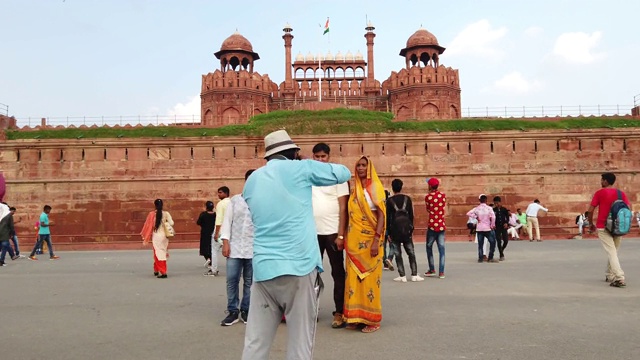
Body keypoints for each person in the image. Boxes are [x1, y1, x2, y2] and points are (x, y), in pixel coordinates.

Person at [241, 130, 351, 360]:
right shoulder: (300, 168)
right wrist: (306, 165)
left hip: (264, 271)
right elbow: (343, 173)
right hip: (299, 270)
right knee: (300, 346)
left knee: (255, 344)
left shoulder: (252, 181)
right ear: (292, 152)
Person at [344, 156, 385, 333]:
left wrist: (376, 239)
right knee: (353, 281)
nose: (360, 168)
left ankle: (371, 320)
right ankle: (355, 316)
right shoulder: (355, 190)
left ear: (369, 168)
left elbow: (382, 215)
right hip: (353, 243)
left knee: (369, 282)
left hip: (370, 243)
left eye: (363, 165)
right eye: (358, 165)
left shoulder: (375, 188)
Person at [311, 142, 349, 328]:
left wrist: (341, 235)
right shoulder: (308, 177)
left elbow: (343, 208)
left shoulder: (338, 178)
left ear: (328, 157)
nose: (320, 160)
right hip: (312, 232)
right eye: (316, 157)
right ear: (312, 157)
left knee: (337, 273)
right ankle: (311, 310)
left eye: (323, 156)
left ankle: (339, 312)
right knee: (310, 274)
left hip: (333, 232)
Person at [220, 170, 256, 326]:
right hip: (235, 247)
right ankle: (233, 311)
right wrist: (225, 243)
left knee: (250, 281)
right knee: (232, 279)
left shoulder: (262, 201)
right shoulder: (235, 201)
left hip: (253, 247)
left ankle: (246, 310)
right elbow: (227, 222)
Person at [586, 172, 630, 288]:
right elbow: (628, 209)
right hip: (618, 227)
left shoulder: (600, 193)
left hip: (603, 226)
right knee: (614, 251)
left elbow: (590, 210)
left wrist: (590, 223)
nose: (601, 182)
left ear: (605, 181)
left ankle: (619, 278)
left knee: (611, 252)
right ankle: (610, 274)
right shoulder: (621, 194)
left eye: (602, 180)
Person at [386, 178, 421, 282]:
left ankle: (402, 276)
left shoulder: (389, 201)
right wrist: (411, 228)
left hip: (395, 231)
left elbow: (388, 217)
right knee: (411, 252)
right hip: (406, 230)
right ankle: (414, 275)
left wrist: (388, 231)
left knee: (398, 254)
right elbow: (411, 215)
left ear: (392, 188)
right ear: (401, 187)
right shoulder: (407, 199)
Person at [140, 199, 174, 278]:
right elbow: (172, 223)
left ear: (155, 205)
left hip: (156, 235)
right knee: (162, 252)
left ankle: (163, 272)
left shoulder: (152, 214)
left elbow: (149, 226)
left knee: (158, 253)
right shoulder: (166, 213)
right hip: (165, 236)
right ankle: (156, 269)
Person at [424, 177, 447, 278]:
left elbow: (428, 209)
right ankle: (441, 272)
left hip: (432, 225)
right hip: (441, 225)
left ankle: (432, 269)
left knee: (429, 247)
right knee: (441, 249)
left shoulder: (428, 197)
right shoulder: (443, 196)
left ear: (430, 186)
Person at [205, 187, 231, 276]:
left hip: (221, 229)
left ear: (226, 193)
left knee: (214, 250)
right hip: (230, 229)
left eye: (220, 193)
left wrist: (216, 233)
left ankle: (214, 270)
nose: (218, 194)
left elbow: (219, 219)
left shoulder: (221, 204)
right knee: (232, 251)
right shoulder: (232, 203)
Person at [467, 195, 498, 263]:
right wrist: (492, 225)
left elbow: (468, 213)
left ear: (479, 200)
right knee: (492, 242)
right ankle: (490, 257)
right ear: (486, 200)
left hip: (479, 228)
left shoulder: (477, 208)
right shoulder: (489, 208)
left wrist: (476, 217)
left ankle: (480, 258)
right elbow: (493, 217)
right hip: (487, 228)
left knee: (480, 244)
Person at [196, 201, 216, 268]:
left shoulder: (203, 214)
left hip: (205, 233)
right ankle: (211, 261)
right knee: (212, 248)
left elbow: (198, 222)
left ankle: (208, 259)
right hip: (213, 232)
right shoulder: (215, 214)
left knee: (204, 247)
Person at [493, 196, 509, 261]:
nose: (496, 204)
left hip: (503, 226)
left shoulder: (504, 209)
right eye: (495, 203)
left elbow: (507, 217)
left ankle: (502, 249)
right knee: (498, 241)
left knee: (506, 240)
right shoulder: (494, 210)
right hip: (497, 227)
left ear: (500, 202)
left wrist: (506, 223)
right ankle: (501, 254)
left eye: (497, 203)